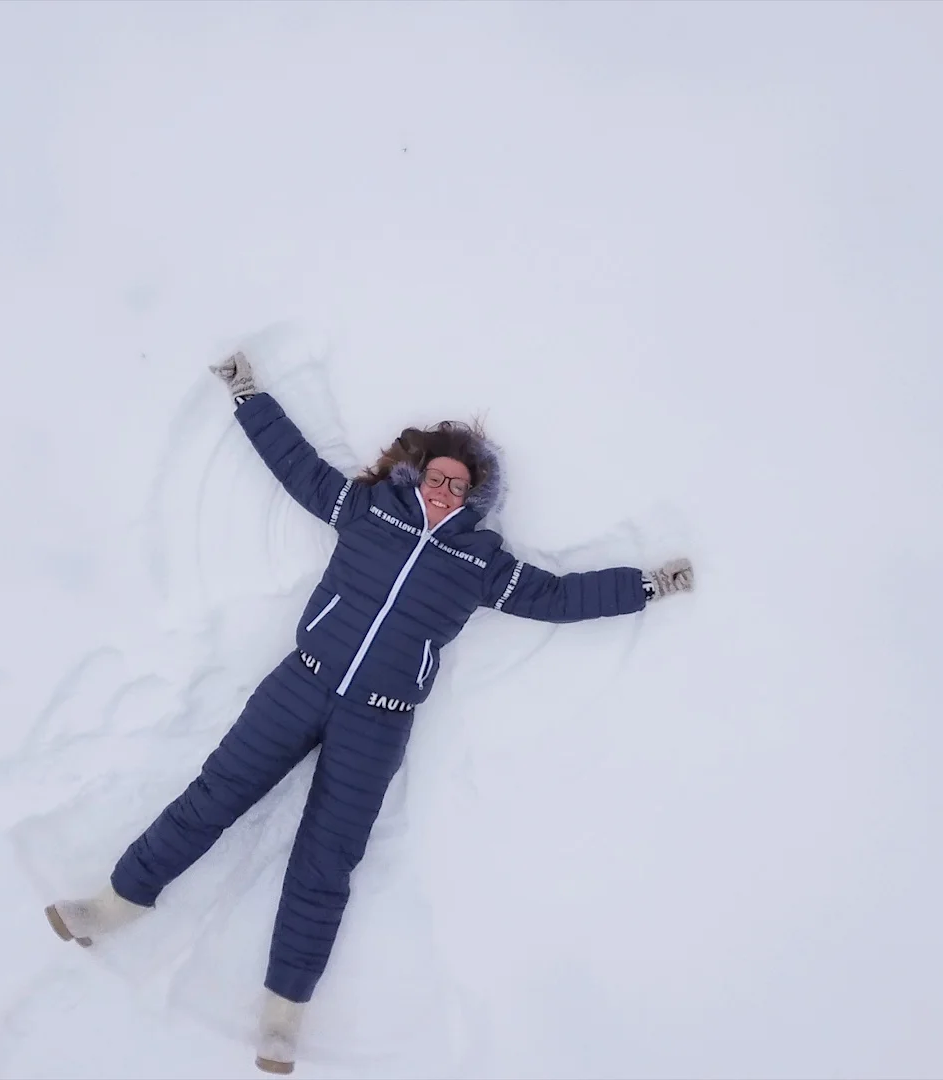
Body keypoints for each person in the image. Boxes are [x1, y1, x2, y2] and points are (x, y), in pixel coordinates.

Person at [45, 352, 694, 1074]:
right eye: (439, 476)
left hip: (378, 722)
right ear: (417, 474)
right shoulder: (367, 509)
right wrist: (249, 395)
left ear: (477, 496)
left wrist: (646, 587)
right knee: (212, 797)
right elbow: (296, 467)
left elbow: (560, 597)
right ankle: (113, 905)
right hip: (301, 682)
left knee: (327, 862)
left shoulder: (484, 562)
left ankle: (283, 1016)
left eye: (461, 483)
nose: (447, 490)